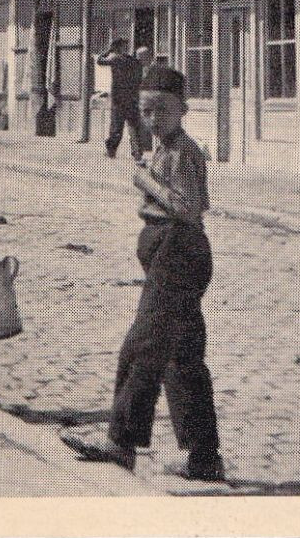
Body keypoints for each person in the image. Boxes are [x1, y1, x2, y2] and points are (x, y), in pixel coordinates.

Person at [62, 64, 225, 483]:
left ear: (183, 110)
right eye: (146, 111)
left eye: (161, 111)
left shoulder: (183, 152)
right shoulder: (166, 148)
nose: (153, 119)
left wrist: (145, 182)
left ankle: (122, 442)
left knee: (143, 344)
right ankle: (204, 457)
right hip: (168, 251)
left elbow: (191, 207)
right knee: (182, 355)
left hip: (177, 251)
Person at [96, 37, 147, 160]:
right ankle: (137, 153)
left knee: (116, 128)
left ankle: (111, 151)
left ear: (116, 48)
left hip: (118, 100)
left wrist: (108, 51)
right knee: (134, 127)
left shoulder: (115, 59)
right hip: (133, 99)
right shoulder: (134, 61)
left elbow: (99, 61)